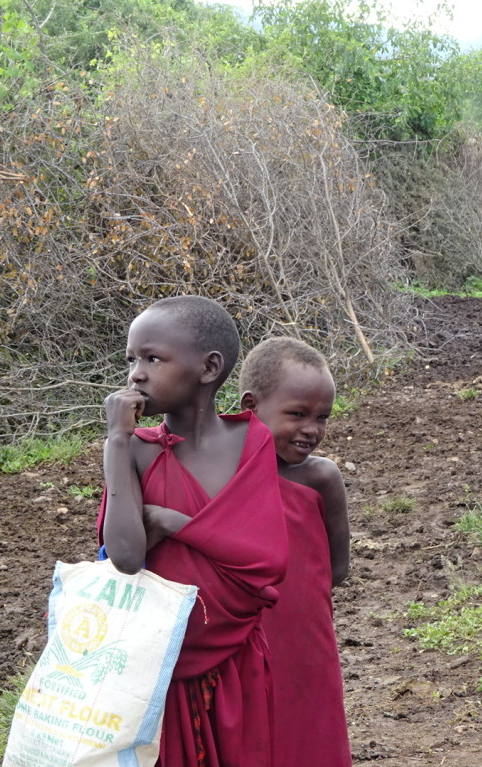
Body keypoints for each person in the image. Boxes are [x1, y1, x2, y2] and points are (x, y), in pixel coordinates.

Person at [100, 295, 288, 767]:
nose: (136, 373)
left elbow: (263, 560)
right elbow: (124, 555)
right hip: (158, 667)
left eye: (153, 358)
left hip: (236, 661)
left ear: (209, 368)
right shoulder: (137, 451)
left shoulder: (252, 441)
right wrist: (117, 440)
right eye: (132, 359)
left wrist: (169, 522)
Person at [239, 337, 352, 767]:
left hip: (305, 639)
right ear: (251, 405)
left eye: (322, 417)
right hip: (242, 633)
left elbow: (336, 568)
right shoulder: (223, 469)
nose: (312, 429)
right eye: (297, 414)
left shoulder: (321, 477)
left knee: (309, 731)